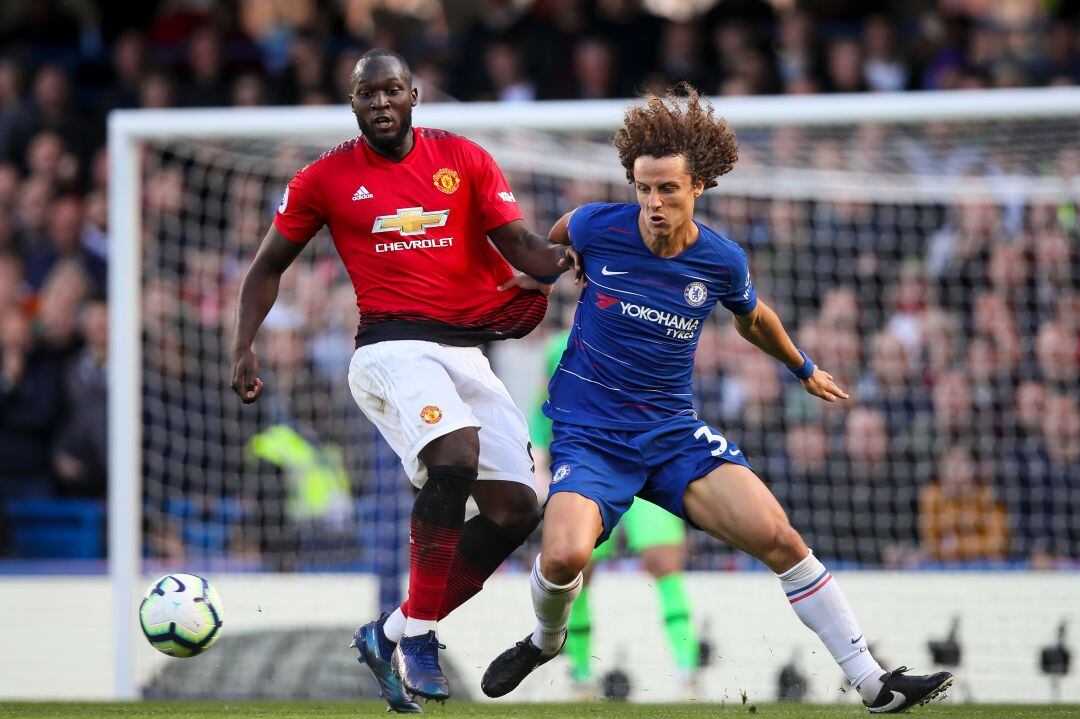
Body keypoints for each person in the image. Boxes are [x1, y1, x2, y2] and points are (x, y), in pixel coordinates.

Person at [481, 85, 954, 714]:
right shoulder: (598, 225)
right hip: (592, 436)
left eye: (667, 189)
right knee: (563, 554)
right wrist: (562, 257)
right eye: (644, 188)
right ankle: (547, 639)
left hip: (673, 436)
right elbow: (560, 236)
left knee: (781, 538)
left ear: (696, 187)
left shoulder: (720, 260)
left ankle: (873, 683)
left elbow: (752, 318)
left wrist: (802, 366)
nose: (653, 202)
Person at [230, 49, 577, 711]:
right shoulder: (324, 178)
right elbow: (266, 266)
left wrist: (583, 247)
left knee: (516, 509)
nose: (381, 103)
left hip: (465, 351)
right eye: (368, 94)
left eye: (392, 90)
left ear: (414, 94)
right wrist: (244, 344)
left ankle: (387, 629)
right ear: (354, 103)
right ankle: (420, 636)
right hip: (388, 349)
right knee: (454, 458)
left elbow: (527, 252)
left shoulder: (464, 159)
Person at [531, 329, 700, 697]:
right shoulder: (560, 345)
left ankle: (688, 673)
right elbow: (545, 402)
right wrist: (540, 456)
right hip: (593, 465)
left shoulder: (653, 327)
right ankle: (579, 676)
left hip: (649, 460)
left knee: (664, 561)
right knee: (578, 566)